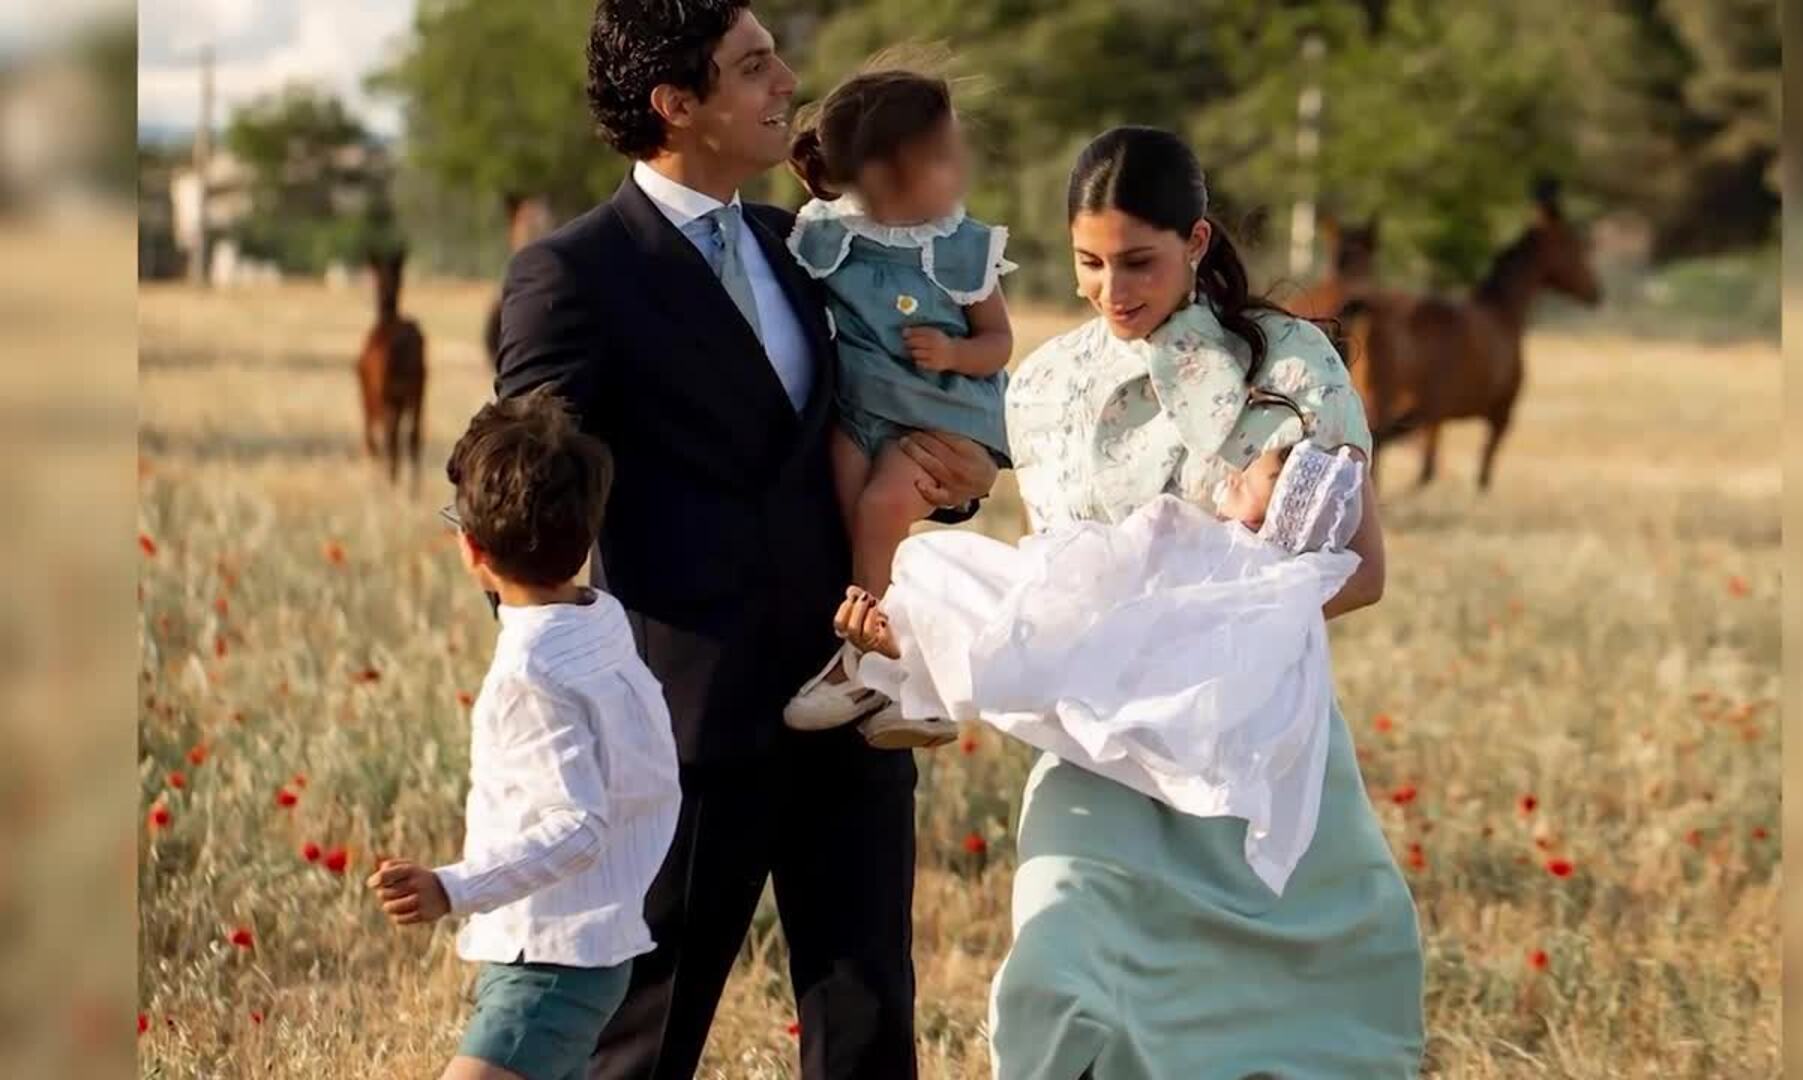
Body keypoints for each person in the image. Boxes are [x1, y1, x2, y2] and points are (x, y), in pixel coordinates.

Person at [491, 3, 998, 1078]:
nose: (787, 82)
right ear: (678, 104)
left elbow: (882, 410)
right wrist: (566, 701)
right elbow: (527, 499)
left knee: (869, 1038)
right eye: (755, 65)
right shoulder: (572, 273)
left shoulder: (803, 244)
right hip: (682, 732)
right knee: (641, 1046)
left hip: (850, 699)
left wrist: (956, 484)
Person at [981, 126, 1426, 1078]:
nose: (1111, 290)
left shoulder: (1293, 365)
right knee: (1060, 987)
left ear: (1197, 241)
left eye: (1138, 261)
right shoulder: (1044, 386)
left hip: (1255, 751)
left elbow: (1363, 572)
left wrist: (1196, 632)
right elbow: (1053, 571)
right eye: (1088, 263)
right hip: (1099, 752)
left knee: (1285, 1034)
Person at [835, 434, 1371, 902]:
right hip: (1116, 653)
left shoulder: (1231, 558)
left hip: (1108, 638)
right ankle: (910, 663)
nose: (1241, 469)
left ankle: (903, 658)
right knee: (999, 617)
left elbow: (1139, 551)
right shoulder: (1276, 596)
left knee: (969, 585)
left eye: (1263, 474)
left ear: (1270, 514)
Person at [368, 389, 681, 1080]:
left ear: (472, 548)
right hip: (588, 950)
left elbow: (579, 827)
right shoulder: (602, 622)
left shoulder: (530, 671)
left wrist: (452, 887)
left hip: (549, 963)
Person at [780, 60, 1018, 749]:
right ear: (882, 174)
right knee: (849, 512)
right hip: (862, 409)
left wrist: (955, 355)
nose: (959, 173)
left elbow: (998, 341)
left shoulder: (959, 247)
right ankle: (903, 672)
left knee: (881, 509)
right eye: (942, 158)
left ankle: (873, 657)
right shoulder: (826, 235)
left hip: (934, 412)